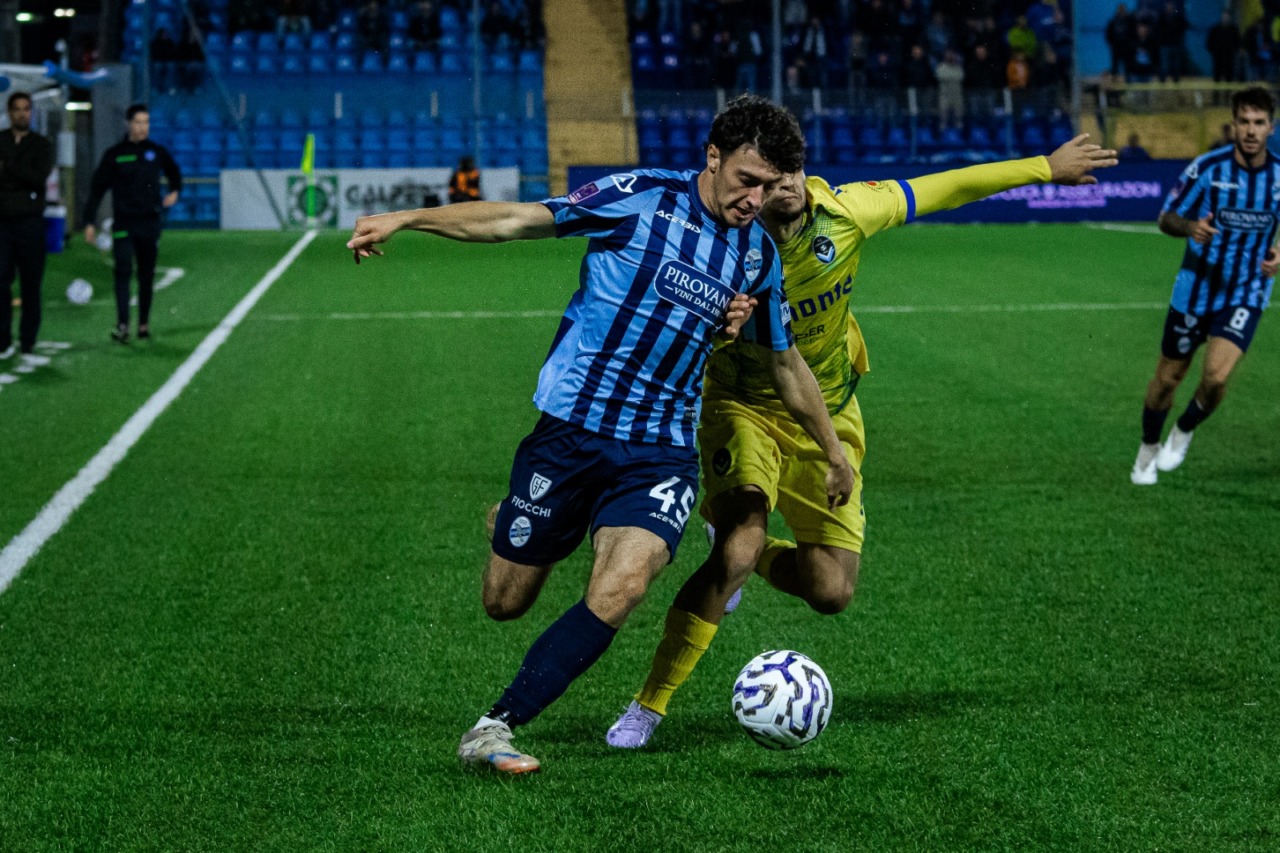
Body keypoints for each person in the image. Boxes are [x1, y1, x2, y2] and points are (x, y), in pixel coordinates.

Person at [345, 95, 855, 775]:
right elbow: (516, 220)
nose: (755, 200)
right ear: (712, 157)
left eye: (768, 187)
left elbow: (785, 364)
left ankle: (494, 726)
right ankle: (519, 517)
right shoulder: (638, 198)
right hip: (572, 432)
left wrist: (833, 450)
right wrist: (409, 217)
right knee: (505, 602)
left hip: (660, 450)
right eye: (746, 180)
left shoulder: (757, 254)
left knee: (624, 584)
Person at [606, 132, 1119, 749]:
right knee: (737, 550)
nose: (786, 183)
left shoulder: (847, 214)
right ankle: (648, 706)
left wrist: (1043, 167)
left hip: (828, 412)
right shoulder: (721, 234)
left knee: (830, 591)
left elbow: (945, 187)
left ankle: (746, 549)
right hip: (742, 407)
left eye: (793, 169)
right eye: (770, 174)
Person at [1130, 87, 1280, 485]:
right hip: (1195, 289)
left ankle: (1184, 429)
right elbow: (1167, 218)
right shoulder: (1209, 168)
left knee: (1215, 377)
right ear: (1233, 124)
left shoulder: (1279, 176)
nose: (1251, 131)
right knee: (1167, 380)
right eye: (1244, 122)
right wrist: (1190, 227)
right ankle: (1148, 446)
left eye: (1259, 123)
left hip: (1246, 291)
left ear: (1271, 127)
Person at [82, 103, 183, 344]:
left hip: (150, 223)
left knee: (146, 275)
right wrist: (89, 221)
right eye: (138, 122)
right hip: (124, 224)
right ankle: (123, 324)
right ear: (128, 124)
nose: (142, 127)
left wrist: (175, 190)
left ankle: (144, 324)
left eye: (146, 122)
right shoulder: (115, 154)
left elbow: (174, 172)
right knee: (123, 271)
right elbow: (97, 189)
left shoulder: (156, 152)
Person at [0, 92, 56, 364]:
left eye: (26, 109)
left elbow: (37, 178)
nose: (22, 113)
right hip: (2, 224)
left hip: (30, 223)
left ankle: (28, 340)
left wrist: (7, 168)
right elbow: (28, 177)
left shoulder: (42, 145)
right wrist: (20, 175)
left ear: (31, 112)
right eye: (17, 109)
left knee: (31, 284)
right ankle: (3, 339)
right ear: (9, 112)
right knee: (1, 282)